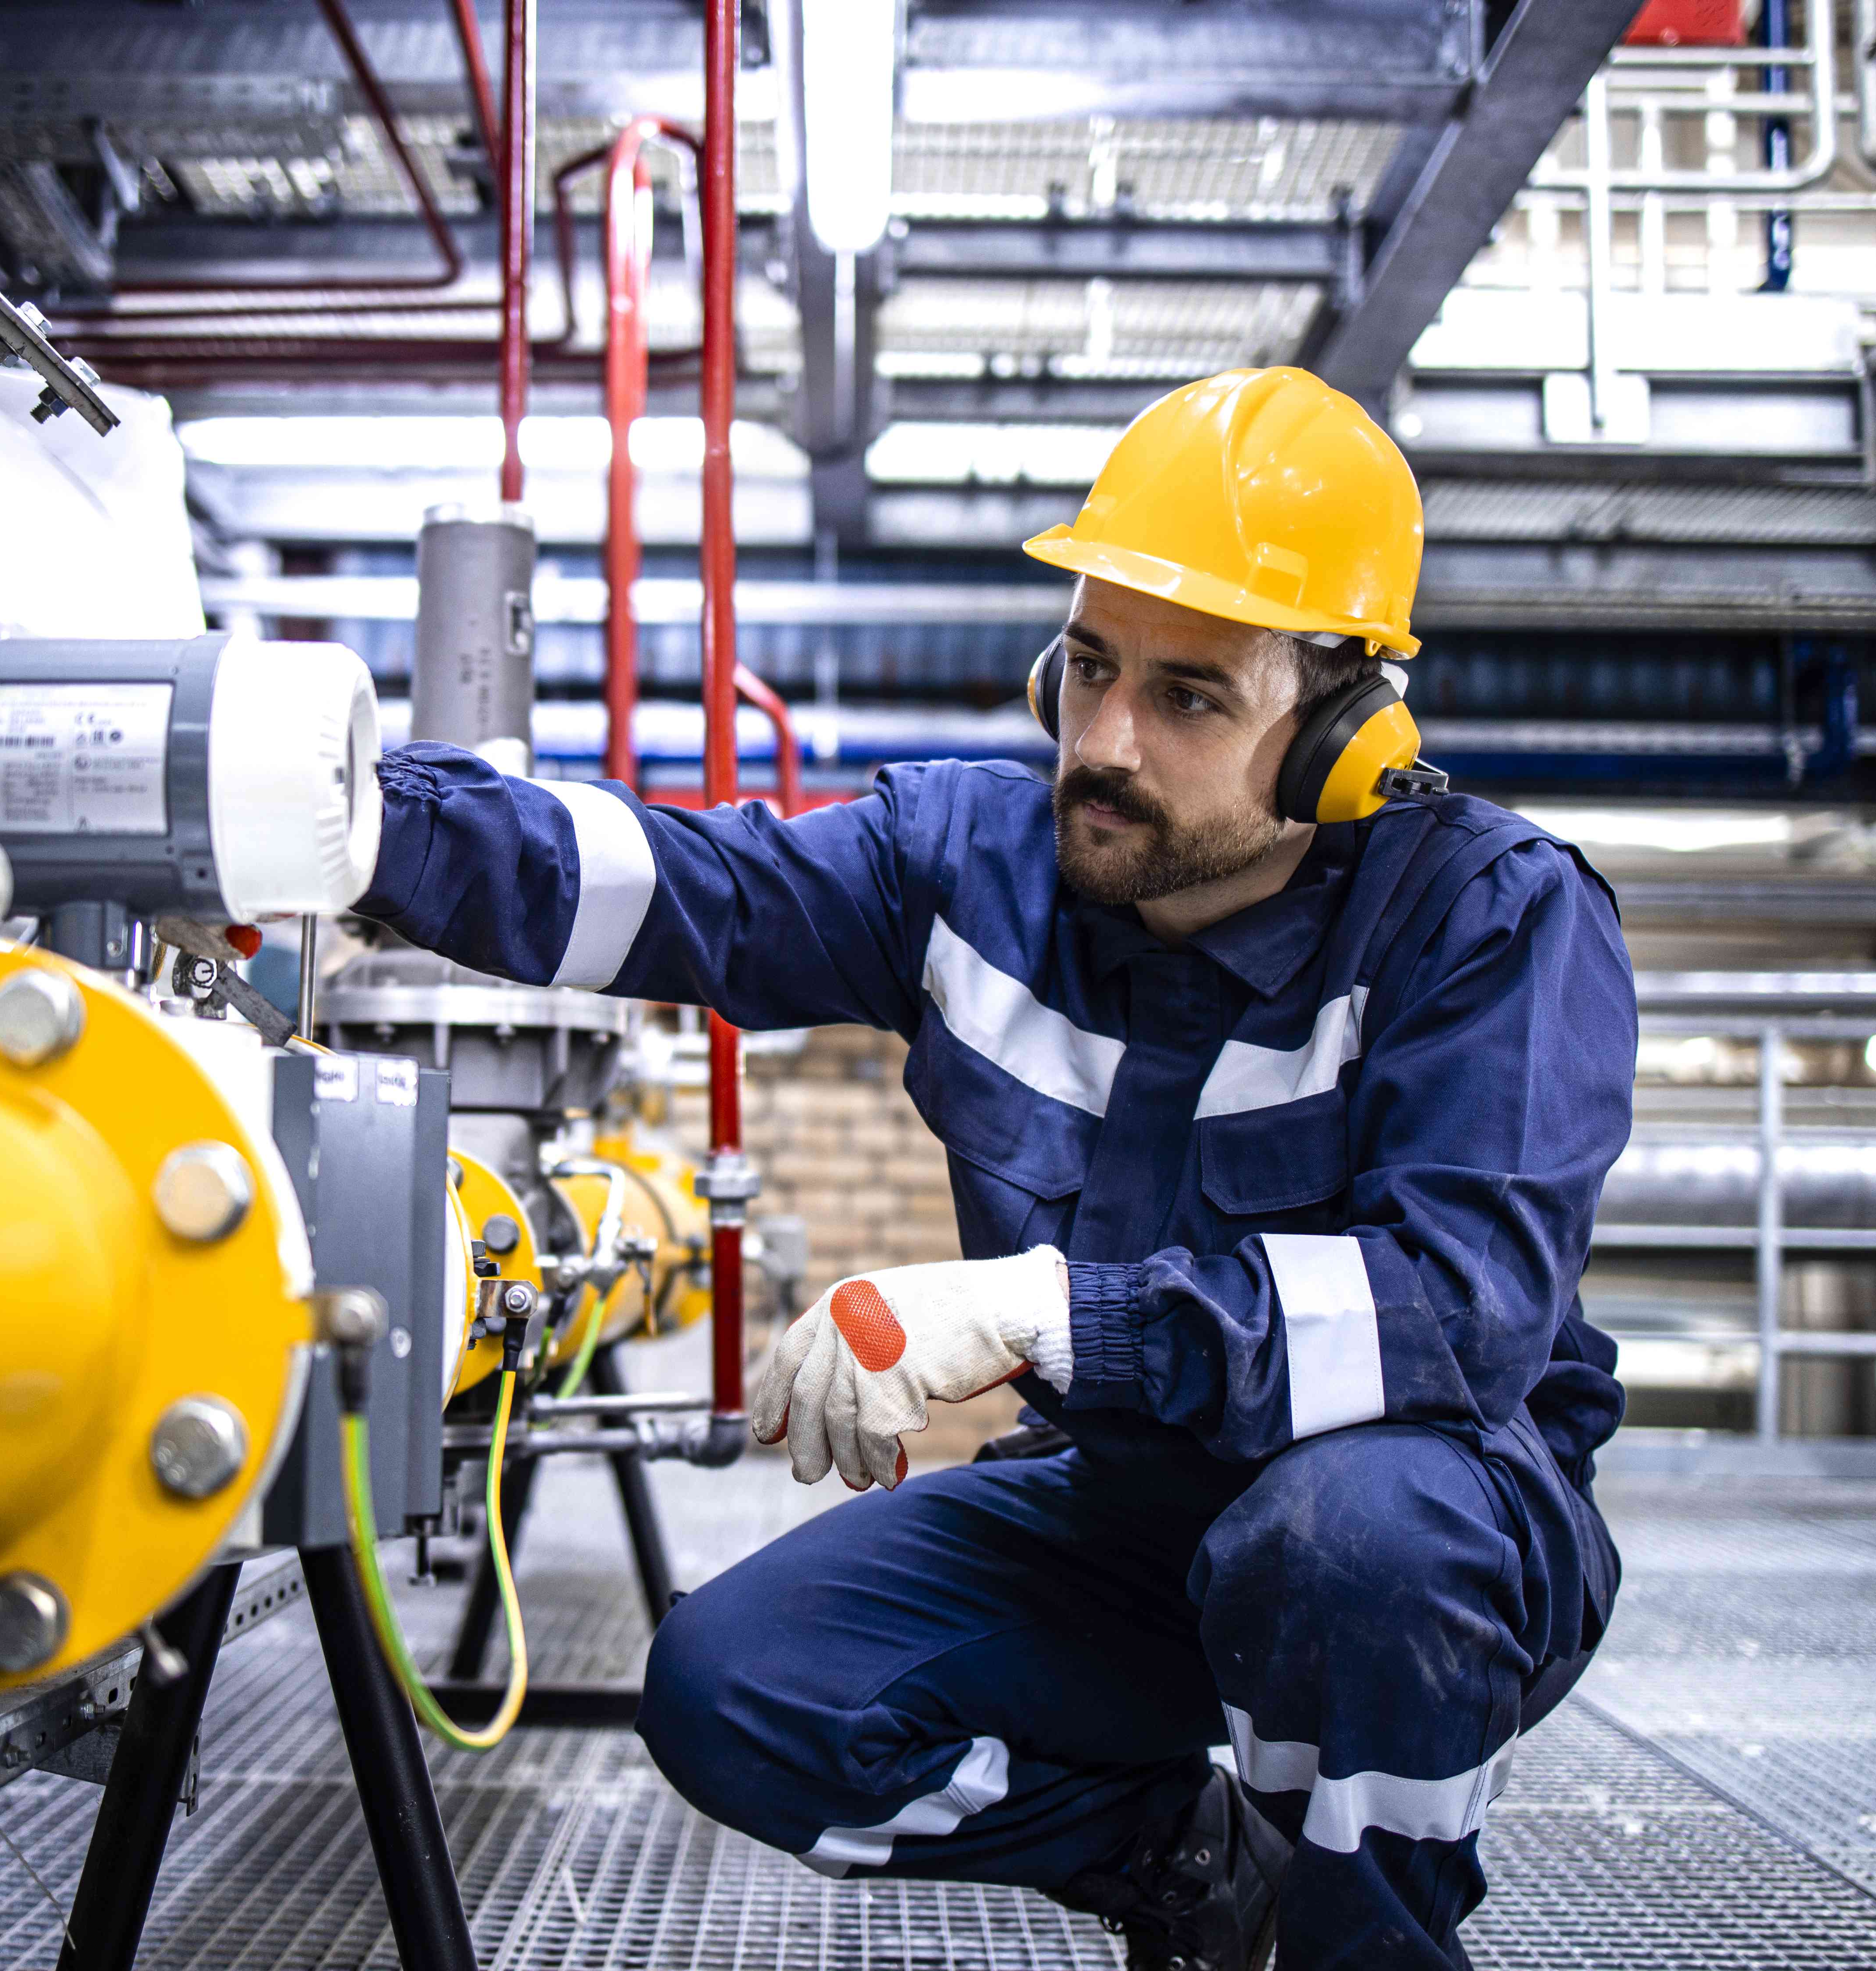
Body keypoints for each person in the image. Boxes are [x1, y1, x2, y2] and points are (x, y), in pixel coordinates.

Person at [353, 366, 1634, 1970]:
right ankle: (1198, 1864)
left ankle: (1364, 1945)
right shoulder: (965, 865)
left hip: (1423, 1527)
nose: (1102, 742)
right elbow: (682, 887)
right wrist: (355, 827)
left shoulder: (1489, 920)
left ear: (1338, 742)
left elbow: (1457, 1316)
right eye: (1090, 666)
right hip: (1114, 1503)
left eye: (1188, 697)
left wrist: (1051, 1313)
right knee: (741, 1691)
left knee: (1344, 1545)